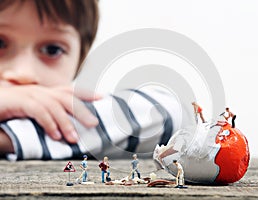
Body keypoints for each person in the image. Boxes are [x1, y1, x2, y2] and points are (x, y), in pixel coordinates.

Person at [0, 0, 190, 161]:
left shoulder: (80, 113)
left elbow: (170, 112)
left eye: (52, 49)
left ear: (79, 60)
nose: (22, 73)